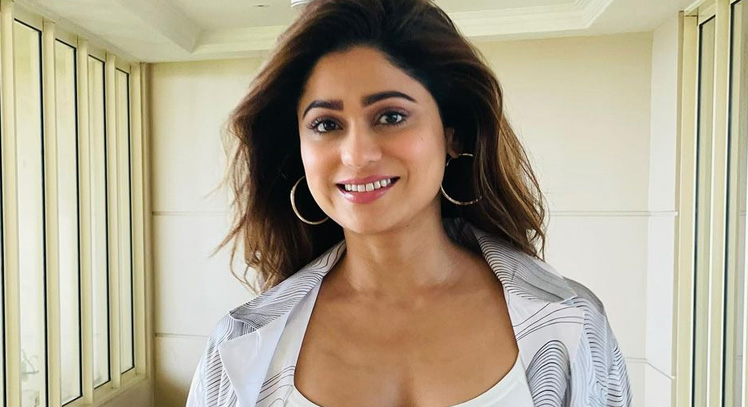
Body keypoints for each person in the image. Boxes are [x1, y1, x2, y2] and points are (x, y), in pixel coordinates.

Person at [186, 0, 633, 405]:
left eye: (391, 116)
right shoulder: (240, 348)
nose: (357, 155)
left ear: (452, 134)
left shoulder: (569, 324)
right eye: (326, 124)